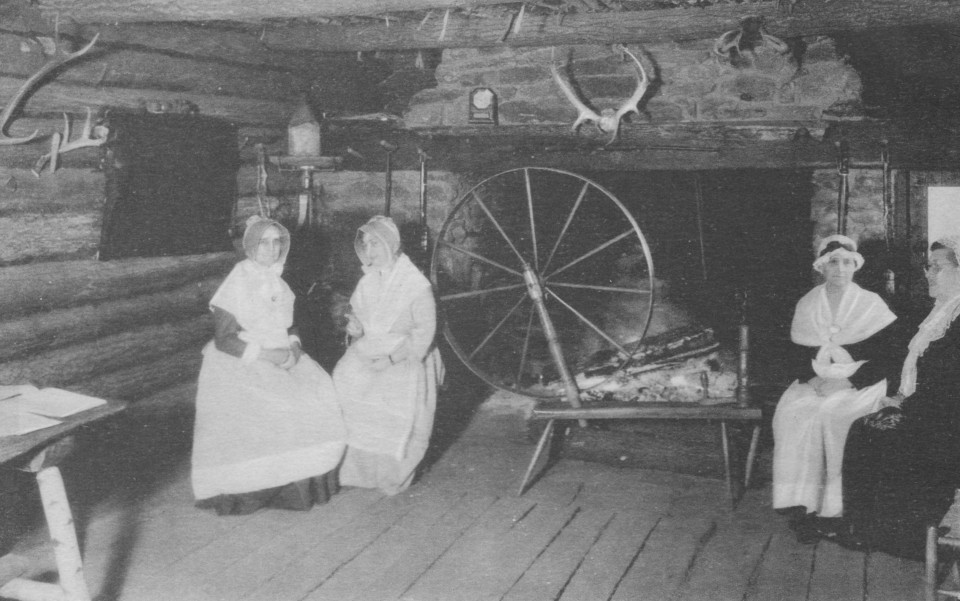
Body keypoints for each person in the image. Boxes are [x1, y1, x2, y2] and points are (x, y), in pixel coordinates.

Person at [191, 216, 346, 515]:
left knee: (320, 393)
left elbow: (291, 325)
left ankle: (304, 485)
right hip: (244, 360)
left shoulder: (279, 281)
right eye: (265, 242)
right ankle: (265, 490)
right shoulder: (237, 280)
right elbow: (224, 339)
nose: (272, 249)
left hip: (283, 354)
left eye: (277, 242)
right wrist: (269, 355)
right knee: (279, 405)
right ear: (250, 246)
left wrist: (294, 347)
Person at [772, 235, 900, 543]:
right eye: (832, 262)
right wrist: (812, 379)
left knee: (833, 415)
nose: (839, 269)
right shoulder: (808, 302)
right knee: (794, 413)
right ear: (821, 266)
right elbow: (794, 353)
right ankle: (803, 504)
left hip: (860, 380)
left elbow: (889, 357)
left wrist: (848, 381)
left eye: (846, 262)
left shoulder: (871, 303)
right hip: (817, 378)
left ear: (855, 266)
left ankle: (836, 509)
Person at [839, 236, 960, 559]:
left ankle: (902, 536)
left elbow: (949, 385)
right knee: (865, 427)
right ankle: (872, 529)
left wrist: (905, 406)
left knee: (875, 432)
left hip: (950, 423)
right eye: (927, 266)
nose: (928, 274)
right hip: (935, 411)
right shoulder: (941, 313)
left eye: (938, 267)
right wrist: (898, 397)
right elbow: (916, 369)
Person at [333, 216, 444, 496]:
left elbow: (425, 330)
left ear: (391, 245)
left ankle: (391, 474)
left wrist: (393, 359)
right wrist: (355, 327)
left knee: (394, 390)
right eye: (366, 244)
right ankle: (356, 471)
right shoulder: (368, 282)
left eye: (376, 243)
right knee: (345, 377)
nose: (370, 251)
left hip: (407, 354)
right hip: (373, 348)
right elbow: (361, 323)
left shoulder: (415, 284)